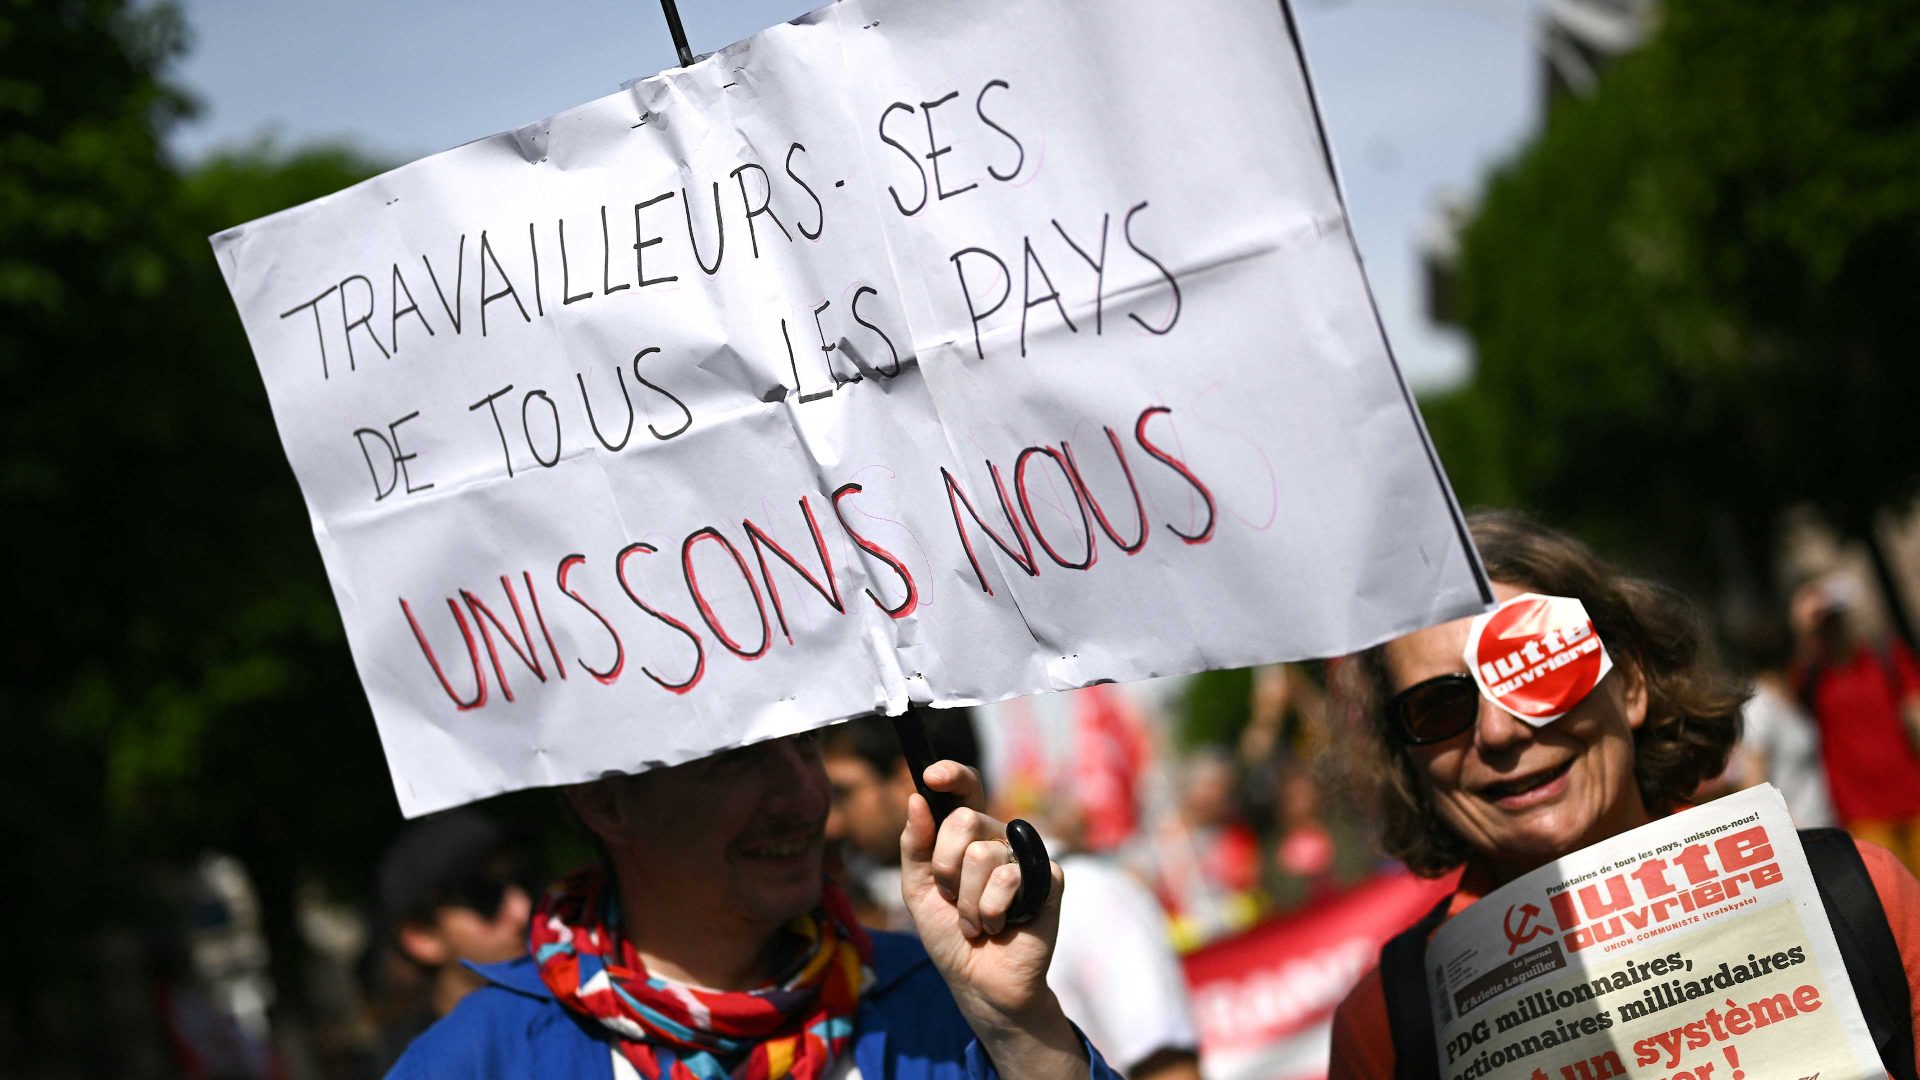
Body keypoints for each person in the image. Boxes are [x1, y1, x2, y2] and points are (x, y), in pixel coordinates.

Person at [1325, 512, 1920, 1079]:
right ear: (1409, 756)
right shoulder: (1388, 1027)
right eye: (1440, 707)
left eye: (1532, 670)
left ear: (1630, 684)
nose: (1500, 731)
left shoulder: (1856, 897)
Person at [389, 726, 1117, 1079]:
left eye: (808, 748)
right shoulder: (481, 1060)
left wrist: (1020, 1030)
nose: (805, 799)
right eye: (737, 759)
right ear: (606, 801)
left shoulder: (934, 1006)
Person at [822, 713, 1203, 1080]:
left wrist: (1028, 1026)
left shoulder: (1088, 895)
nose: (834, 822)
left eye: (844, 792)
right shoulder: (917, 923)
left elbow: (1170, 1071)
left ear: (908, 782)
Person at [368, 809, 532, 1068]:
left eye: (524, 880)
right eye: (485, 897)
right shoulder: (419, 1068)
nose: (522, 909)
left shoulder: (587, 1007)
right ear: (423, 937)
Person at [1792, 575, 1920, 871]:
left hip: (1913, 791)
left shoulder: (1885, 657)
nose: (1832, 630)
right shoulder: (1810, 677)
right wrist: (1803, 627)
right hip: (1860, 808)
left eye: (1836, 619)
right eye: (1823, 624)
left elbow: (1914, 710)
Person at [1710, 611, 1836, 827]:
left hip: (1823, 824)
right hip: (1802, 835)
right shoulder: (1758, 709)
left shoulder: (1789, 696)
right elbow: (1753, 784)